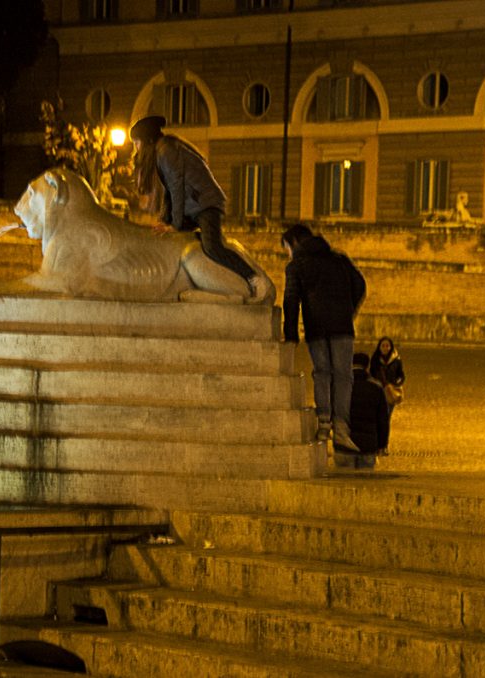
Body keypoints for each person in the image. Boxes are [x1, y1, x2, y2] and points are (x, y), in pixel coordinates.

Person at [130, 115, 268, 301]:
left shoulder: (167, 151)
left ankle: (253, 278)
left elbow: (177, 188)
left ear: (147, 140)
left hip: (205, 205)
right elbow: (169, 191)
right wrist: (164, 220)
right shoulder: (162, 151)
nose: (136, 148)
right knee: (168, 238)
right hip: (193, 206)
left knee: (212, 247)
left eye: (137, 143)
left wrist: (176, 224)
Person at [281, 223, 366, 452]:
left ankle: (323, 423)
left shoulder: (296, 265)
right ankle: (341, 429)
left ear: (295, 242)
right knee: (343, 376)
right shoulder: (339, 260)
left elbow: (291, 301)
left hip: (315, 327)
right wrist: (348, 311)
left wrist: (290, 334)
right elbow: (360, 285)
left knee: (322, 373)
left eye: (287, 248)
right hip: (342, 326)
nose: (288, 253)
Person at [334, 352, 390, 469]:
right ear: (367, 367)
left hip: (344, 445)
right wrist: (382, 444)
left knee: (343, 485)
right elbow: (383, 420)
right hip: (368, 445)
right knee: (366, 484)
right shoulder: (376, 387)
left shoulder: (340, 386)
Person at [369, 336, 406, 455]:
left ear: (391, 347)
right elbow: (371, 375)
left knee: (385, 420)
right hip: (378, 393)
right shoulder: (375, 359)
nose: (385, 348)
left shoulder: (396, 360)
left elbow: (401, 375)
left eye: (387, 346)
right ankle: (377, 445)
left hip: (390, 395)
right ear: (379, 347)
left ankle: (384, 446)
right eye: (383, 346)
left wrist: (396, 384)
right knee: (378, 420)